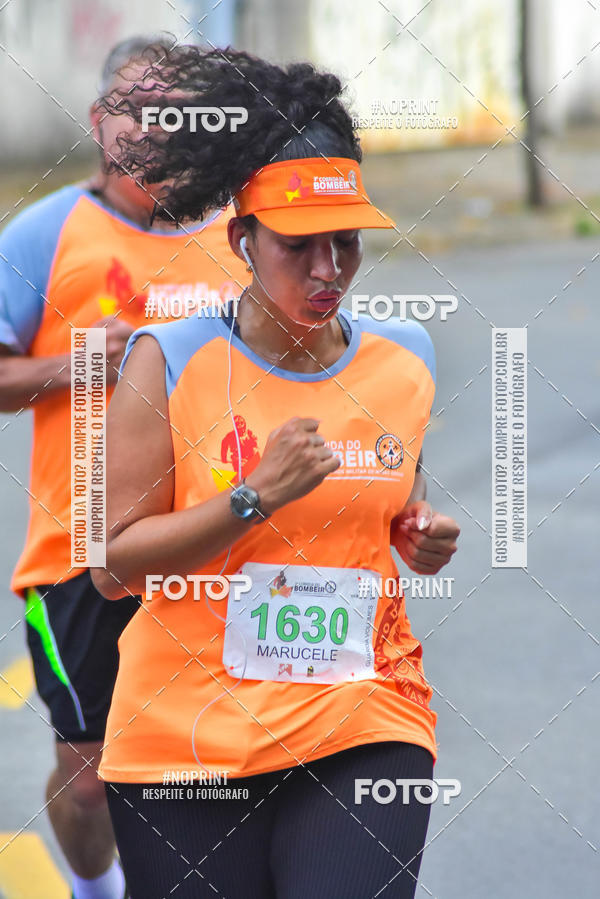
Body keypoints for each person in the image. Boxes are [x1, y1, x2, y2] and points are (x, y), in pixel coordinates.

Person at [91, 47, 460, 899]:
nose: (329, 270)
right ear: (243, 239)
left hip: (362, 711)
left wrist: (419, 530)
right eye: (301, 246)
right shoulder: (169, 360)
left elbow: (396, 492)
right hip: (185, 735)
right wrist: (252, 496)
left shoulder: (407, 356)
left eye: (347, 243)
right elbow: (111, 565)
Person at [0, 37, 247, 899]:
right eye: (135, 109)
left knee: (221, 764)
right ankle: (94, 891)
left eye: (173, 112)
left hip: (216, 539)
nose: (153, 129)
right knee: (90, 781)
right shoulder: (43, 232)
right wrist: (72, 364)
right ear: (101, 122)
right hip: (80, 551)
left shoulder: (240, 232)